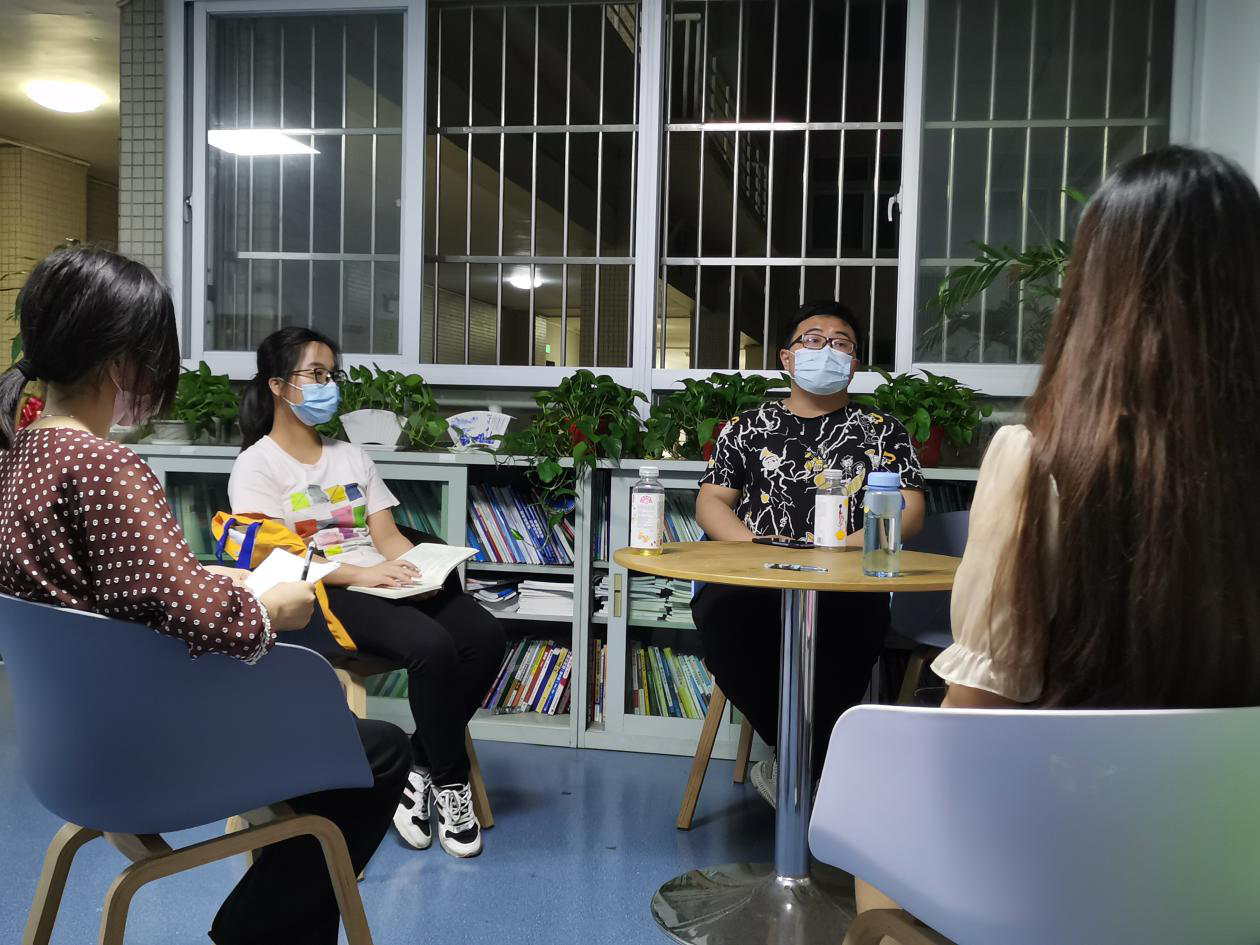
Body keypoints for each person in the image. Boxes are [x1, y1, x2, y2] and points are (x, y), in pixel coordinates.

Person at [854, 146, 1260, 935]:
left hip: (1063, 874)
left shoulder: (1040, 462)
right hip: (1234, 875)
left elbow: (974, 721)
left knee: (873, 806)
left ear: (1097, 291)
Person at [0, 246, 410, 945]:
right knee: (378, 751)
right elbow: (217, 625)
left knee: (328, 743)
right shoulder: (104, 464)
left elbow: (109, 596)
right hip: (147, 751)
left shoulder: (21, 453)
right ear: (122, 359)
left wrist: (205, 580)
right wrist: (271, 607)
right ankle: (255, 932)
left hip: (70, 752)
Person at [229, 326, 506, 858]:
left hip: (379, 581)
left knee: (484, 636)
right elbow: (273, 557)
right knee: (432, 647)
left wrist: (417, 570)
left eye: (331, 375)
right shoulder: (256, 465)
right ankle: (452, 782)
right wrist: (361, 576)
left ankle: (418, 768)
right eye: (315, 374)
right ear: (278, 386)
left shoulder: (352, 457)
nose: (327, 385)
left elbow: (386, 536)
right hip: (320, 595)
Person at [693, 300, 926, 803]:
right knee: (724, 623)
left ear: (854, 362)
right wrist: (751, 545)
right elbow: (711, 501)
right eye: (813, 340)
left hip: (846, 580)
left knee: (850, 639)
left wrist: (849, 546)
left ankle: (797, 771)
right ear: (787, 357)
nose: (827, 349)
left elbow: (910, 510)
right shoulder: (747, 426)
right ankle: (800, 762)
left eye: (841, 343)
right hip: (754, 578)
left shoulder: (883, 430)